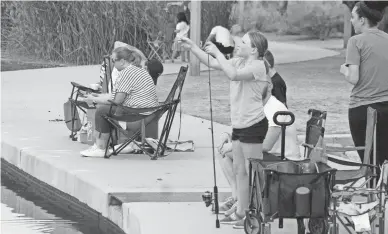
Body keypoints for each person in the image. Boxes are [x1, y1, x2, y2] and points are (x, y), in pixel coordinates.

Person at [179, 30, 272, 227]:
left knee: (251, 172)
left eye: (243, 42)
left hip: (253, 124)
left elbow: (233, 75)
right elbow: (213, 63)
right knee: (239, 170)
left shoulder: (258, 66)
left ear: (254, 49)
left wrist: (218, 53)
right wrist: (193, 47)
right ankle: (241, 211)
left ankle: (255, 212)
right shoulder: (240, 61)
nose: (238, 45)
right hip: (240, 124)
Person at [216, 95, 301, 225]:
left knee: (244, 156)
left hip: (282, 160)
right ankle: (237, 198)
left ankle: (246, 209)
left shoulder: (274, 108)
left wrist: (234, 145)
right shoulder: (257, 106)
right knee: (223, 152)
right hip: (268, 155)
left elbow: (266, 145)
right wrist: (227, 136)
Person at [79, 47, 159, 157]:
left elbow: (117, 100)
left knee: (101, 110)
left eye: (113, 60)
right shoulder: (138, 70)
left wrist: (93, 100)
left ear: (122, 61)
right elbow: (115, 96)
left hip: (138, 118)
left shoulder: (126, 74)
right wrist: (98, 96)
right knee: (104, 107)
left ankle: (101, 147)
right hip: (148, 114)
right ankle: (100, 145)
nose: (112, 63)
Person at [340, 1, 388, 168]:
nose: (351, 21)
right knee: (385, 161)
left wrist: (344, 70)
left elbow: (353, 78)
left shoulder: (355, 41)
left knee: (370, 164)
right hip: (386, 107)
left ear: (362, 20)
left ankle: (372, 192)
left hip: (362, 109)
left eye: (353, 17)